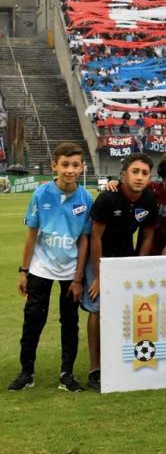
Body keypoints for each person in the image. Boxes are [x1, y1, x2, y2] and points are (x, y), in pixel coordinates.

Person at [8, 143, 92, 392]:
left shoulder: (86, 198)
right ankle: (27, 373)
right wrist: (24, 271)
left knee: (70, 322)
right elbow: (31, 234)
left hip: (70, 271)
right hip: (40, 268)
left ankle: (67, 375)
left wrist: (78, 279)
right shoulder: (41, 194)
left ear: (82, 167)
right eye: (65, 165)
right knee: (33, 320)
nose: (70, 170)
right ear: (54, 166)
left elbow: (85, 239)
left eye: (75, 165)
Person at [83, 153, 159, 392]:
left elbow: (147, 235)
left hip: (126, 260)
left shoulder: (149, 200)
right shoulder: (108, 198)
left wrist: (137, 266)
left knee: (127, 308)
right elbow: (95, 238)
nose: (139, 177)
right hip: (101, 259)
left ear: (149, 177)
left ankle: (119, 361)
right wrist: (98, 276)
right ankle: (95, 369)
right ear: (124, 175)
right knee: (98, 307)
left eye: (144, 173)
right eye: (135, 172)